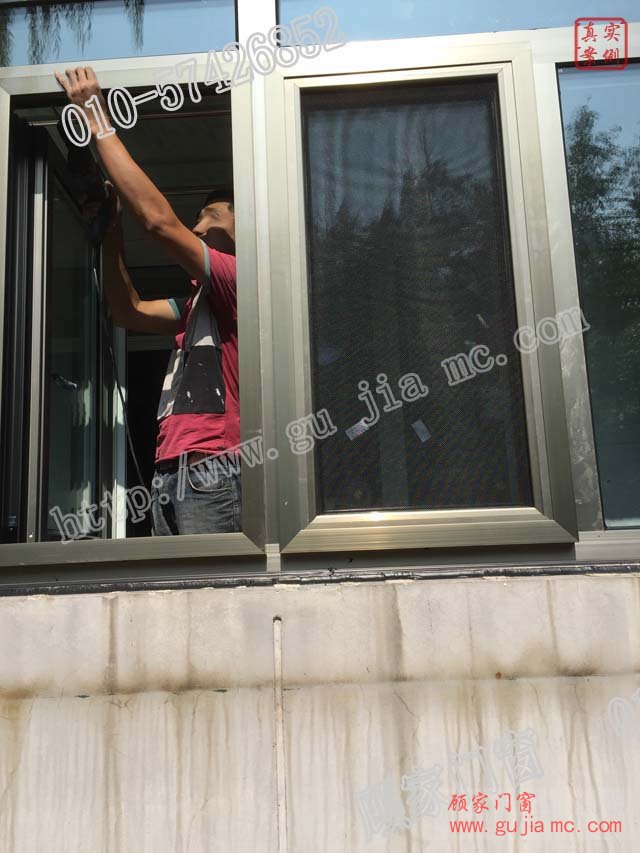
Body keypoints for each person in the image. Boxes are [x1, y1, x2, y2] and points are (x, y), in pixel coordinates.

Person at [55, 66, 241, 535]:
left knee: (210, 583)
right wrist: (112, 229)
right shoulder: (199, 305)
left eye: (211, 216)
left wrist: (95, 115)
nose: (197, 227)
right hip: (173, 469)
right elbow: (128, 312)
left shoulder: (242, 279)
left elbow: (159, 223)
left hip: (214, 465)